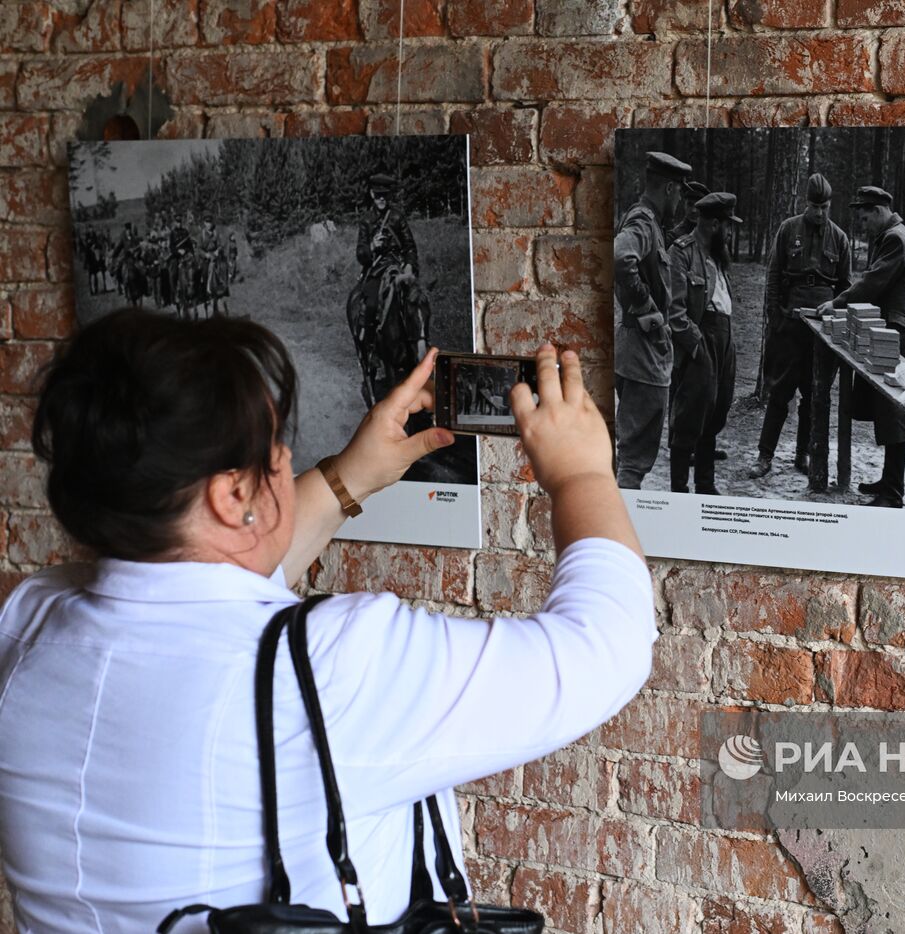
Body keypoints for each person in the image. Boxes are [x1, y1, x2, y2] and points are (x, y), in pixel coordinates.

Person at [0, 309, 654, 930]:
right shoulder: (333, 665)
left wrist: (349, 477)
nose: (288, 461)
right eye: (278, 450)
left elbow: (211, 597)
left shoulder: (28, 626)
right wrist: (581, 476)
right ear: (233, 495)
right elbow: (605, 648)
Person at [817, 186, 905, 508]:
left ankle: (893, 492)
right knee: (887, 407)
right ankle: (889, 480)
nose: (863, 225)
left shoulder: (895, 238)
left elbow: (873, 281)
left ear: (879, 211)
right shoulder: (890, 235)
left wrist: (837, 303)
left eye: (865, 218)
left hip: (900, 329)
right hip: (893, 324)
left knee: (896, 408)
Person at [751, 173, 852, 480]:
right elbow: (774, 276)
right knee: (780, 393)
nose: (819, 213)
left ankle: (802, 454)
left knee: (814, 395)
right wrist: (775, 318)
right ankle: (764, 455)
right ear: (805, 202)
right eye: (814, 206)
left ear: (830, 205)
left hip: (820, 333)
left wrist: (836, 327)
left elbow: (845, 288)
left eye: (824, 207)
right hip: (791, 326)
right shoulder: (788, 229)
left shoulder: (840, 238)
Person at [613, 151, 691, 489]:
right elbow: (619, 255)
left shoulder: (650, 223)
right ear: (670, 188)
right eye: (680, 194)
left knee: (627, 451)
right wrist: (646, 307)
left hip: (635, 353)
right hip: (643, 357)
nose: (680, 202)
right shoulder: (644, 221)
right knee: (634, 459)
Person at [666, 192, 741, 495]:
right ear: (712, 224)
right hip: (700, 339)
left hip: (724, 338)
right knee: (689, 414)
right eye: (728, 225)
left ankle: (705, 485)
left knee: (716, 410)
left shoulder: (718, 256)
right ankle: (679, 489)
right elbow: (675, 311)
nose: (731, 232)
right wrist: (696, 348)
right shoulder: (682, 252)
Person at [356, 173, 420, 336]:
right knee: (370, 305)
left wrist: (409, 264)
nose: (381, 199)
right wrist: (372, 246)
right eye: (378, 195)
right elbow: (360, 253)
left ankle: (417, 343)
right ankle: (369, 348)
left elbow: (409, 246)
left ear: (389, 195)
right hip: (376, 271)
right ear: (372, 195)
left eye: (384, 195)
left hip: (398, 267)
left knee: (417, 303)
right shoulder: (366, 220)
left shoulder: (397, 217)